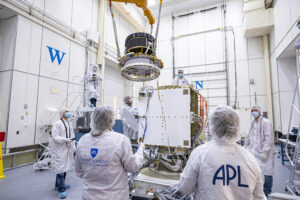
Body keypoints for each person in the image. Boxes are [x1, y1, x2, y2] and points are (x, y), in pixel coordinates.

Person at [180, 105, 265, 200]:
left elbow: (185, 189)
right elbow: (259, 197)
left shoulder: (200, 153)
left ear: (213, 128)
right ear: (236, 128)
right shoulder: (250, 158)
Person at [75, 105, 145, 200]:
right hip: (115, 196)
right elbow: (133, 167)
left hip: (89, 196)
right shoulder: (121, 140)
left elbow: (79, 172)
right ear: (111, 121)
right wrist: (140, 150)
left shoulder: (83, 140)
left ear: (94, 119)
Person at [244, 105, 274, 197]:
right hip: (253, 151)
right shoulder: (252, 123)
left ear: (260, 111)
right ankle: (256, 190)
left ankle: (267, 191)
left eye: (255, 110)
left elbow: (269, 138)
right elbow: (248, 136)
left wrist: (265, 151)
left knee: (267, 172)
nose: (253, 112)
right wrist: (245, 148)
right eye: (252, 110)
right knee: (254, 171)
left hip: (264, 153)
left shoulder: (266, 122)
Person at [51, 108, 76, 199]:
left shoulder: (69, 123)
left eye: (68, 111)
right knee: (60, 169)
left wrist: (73, 147)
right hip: (60, 149)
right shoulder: (57, 124)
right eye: (66, 111)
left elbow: (72, 135)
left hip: (68, 148)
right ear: (62, 113)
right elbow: (55, 137)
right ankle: (62, 189)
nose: (68, 113)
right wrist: (65, 140)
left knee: (65, 168)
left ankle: (59, 185)